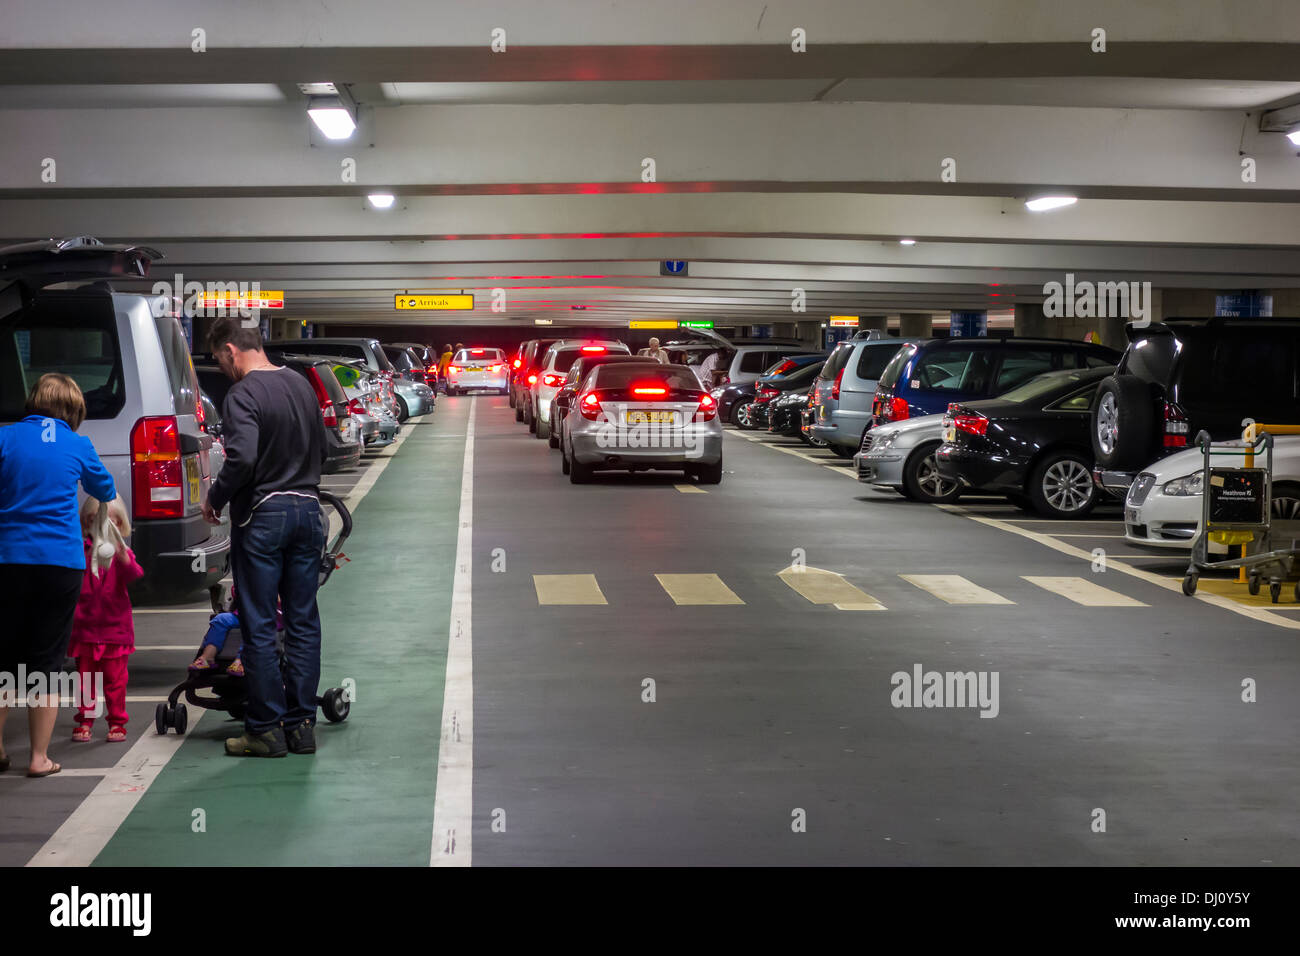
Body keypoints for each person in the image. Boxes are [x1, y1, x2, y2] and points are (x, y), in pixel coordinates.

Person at [203, 316, 328, 758]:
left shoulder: (242, 393)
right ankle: (302, 727)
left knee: (257, 624)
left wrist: (215, 497)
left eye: (220, 360)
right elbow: (325, 449)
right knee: (302, 622)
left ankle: (264, 730)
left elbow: (242, 459)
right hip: (310, 510)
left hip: (263, 515)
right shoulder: (299, 384)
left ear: (231, 351)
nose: (222, 369)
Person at [0, 373, 117, 777]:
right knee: (44, 661)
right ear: (74, 410)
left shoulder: (5, 437)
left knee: (4, 657)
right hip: (59, 563)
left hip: (7, 559)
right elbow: (105, 489)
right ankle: (38, 758)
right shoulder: (77, 443)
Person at [69, 497, 143, 743]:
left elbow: (135, 574)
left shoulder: (121, 554)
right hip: (86, 630)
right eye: (93, 521)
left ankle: (117, 721)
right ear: (85, 524)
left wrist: (122, 554)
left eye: (107, 521)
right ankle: (85, 720)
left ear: (119, 524)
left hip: (115, 631)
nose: (99, 526)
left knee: (116, 680)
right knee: (85, 681)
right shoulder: (82, 551)